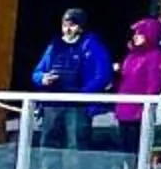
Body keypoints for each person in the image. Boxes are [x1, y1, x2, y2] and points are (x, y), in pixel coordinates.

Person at [30, 8, 115, 151]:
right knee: (48, 146)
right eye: (65, 25)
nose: (67, 29)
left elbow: (103, 74)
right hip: (53, 104)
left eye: (72, 25)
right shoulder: (54, 46)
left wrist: (83, 94)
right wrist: (43, 79)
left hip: (78, 106)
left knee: (76, 146)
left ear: (81, 27)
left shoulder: (93, 46)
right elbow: (37, 73)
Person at [112, 17, 161, 151]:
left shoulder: (156, 56)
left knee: (138, 148)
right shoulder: (131, 55)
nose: (135, 37)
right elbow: (125, 79)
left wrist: (146, 106)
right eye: (135, 34)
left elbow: (155, 84)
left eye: (139, 34)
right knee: (125, 148)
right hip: (124, 109)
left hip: (139, 112)